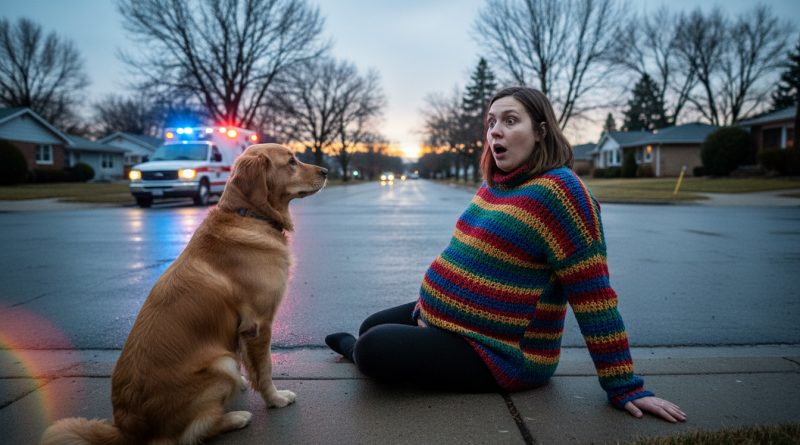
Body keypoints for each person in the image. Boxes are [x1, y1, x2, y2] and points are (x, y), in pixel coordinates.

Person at [325, 86, 686, 423]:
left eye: (510, 121)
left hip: (500, 353)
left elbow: (594, 297)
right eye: (491, 122)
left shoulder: (561, 194)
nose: (495, 131)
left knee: (373, 347)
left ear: (541, 131)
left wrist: (623, 385)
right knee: (370, 327)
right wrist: (436, 318)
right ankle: (408, 338)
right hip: (451, 323)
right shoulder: (496, 185)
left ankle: (371, 351)